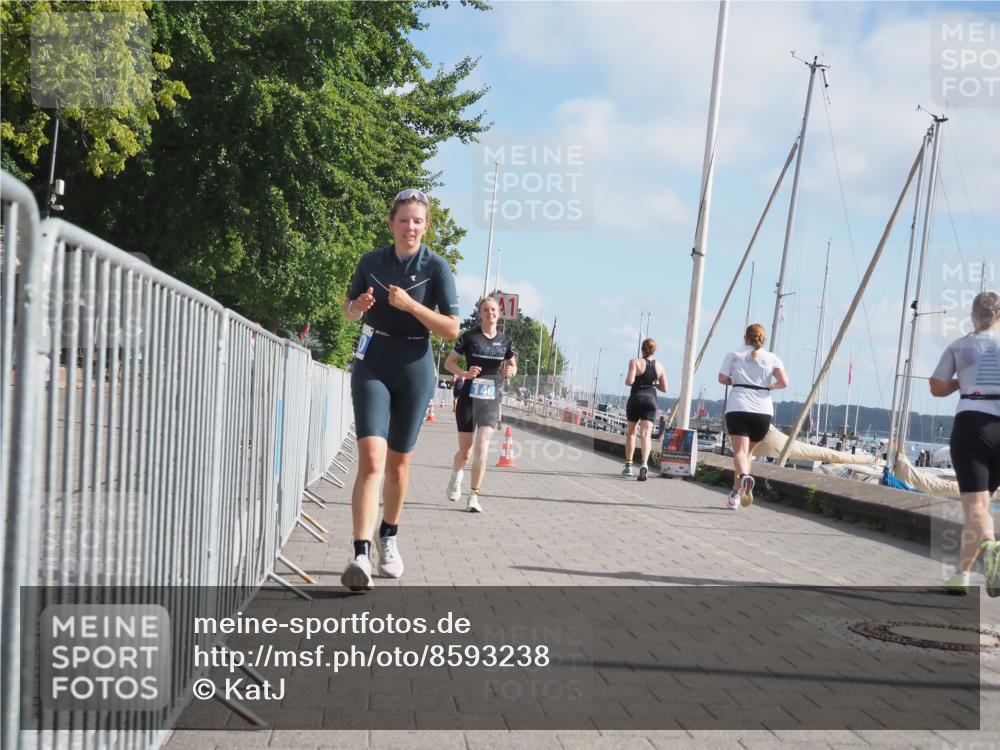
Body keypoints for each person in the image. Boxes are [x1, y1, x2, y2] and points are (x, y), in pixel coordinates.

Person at [340, 188, 460, 591]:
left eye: (417, 221)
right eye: (404, 219)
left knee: (398, 466)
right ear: (392, 223)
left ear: (426, 227)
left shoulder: (437, 268)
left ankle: (388, 535)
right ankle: (360, 553)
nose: (410, 227)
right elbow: (348, 309)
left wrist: (412, 307)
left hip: (415, 368)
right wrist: (359, 307)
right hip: (373, 362)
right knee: (372, 461)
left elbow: (452, 329)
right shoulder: (370, 262)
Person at [930, 291, 1000, 595]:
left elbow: (937, 387)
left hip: (972, 422)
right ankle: (961, 575)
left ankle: (992, 546)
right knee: (982, 506)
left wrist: (961, 381)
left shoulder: (960, 346)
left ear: (973, 316)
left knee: (974, 506)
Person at [444, 296, 517, 512]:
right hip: (468, 398)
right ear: (480, 314)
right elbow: (449, 363)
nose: (490, 313)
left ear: (499, 314)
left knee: (482, 447)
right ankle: (456, 475)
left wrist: (510, 371)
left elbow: (513, 366)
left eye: (493, 309)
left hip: (491, 399)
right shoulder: (469, 337)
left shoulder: (506, 341)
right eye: (486, 310)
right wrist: (465, 373)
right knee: (465, 452)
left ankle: (473, 496)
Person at [718, 324, 789, 510]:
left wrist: (736, 380)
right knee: (747, 454)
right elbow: (784, 382)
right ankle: (735, 494)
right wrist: (770, 386)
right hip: (763, 410)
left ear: (746, 338)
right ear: (763, 339)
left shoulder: (734, 355)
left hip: (739, 406)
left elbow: (722, 378)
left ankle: (743, 478)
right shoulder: (772, 358)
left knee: (740, 453)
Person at [622, 339, 668, 481]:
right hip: (651, 401)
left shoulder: (634, 362)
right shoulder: (659, 366)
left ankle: (628, 467)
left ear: (642, 349)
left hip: (636, 398)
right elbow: (665, 388)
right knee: (646, 435)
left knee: (631, 433)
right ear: (654, 351)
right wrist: (653, 383)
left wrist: (631, 380)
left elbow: (630, 381)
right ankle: (644, 464)